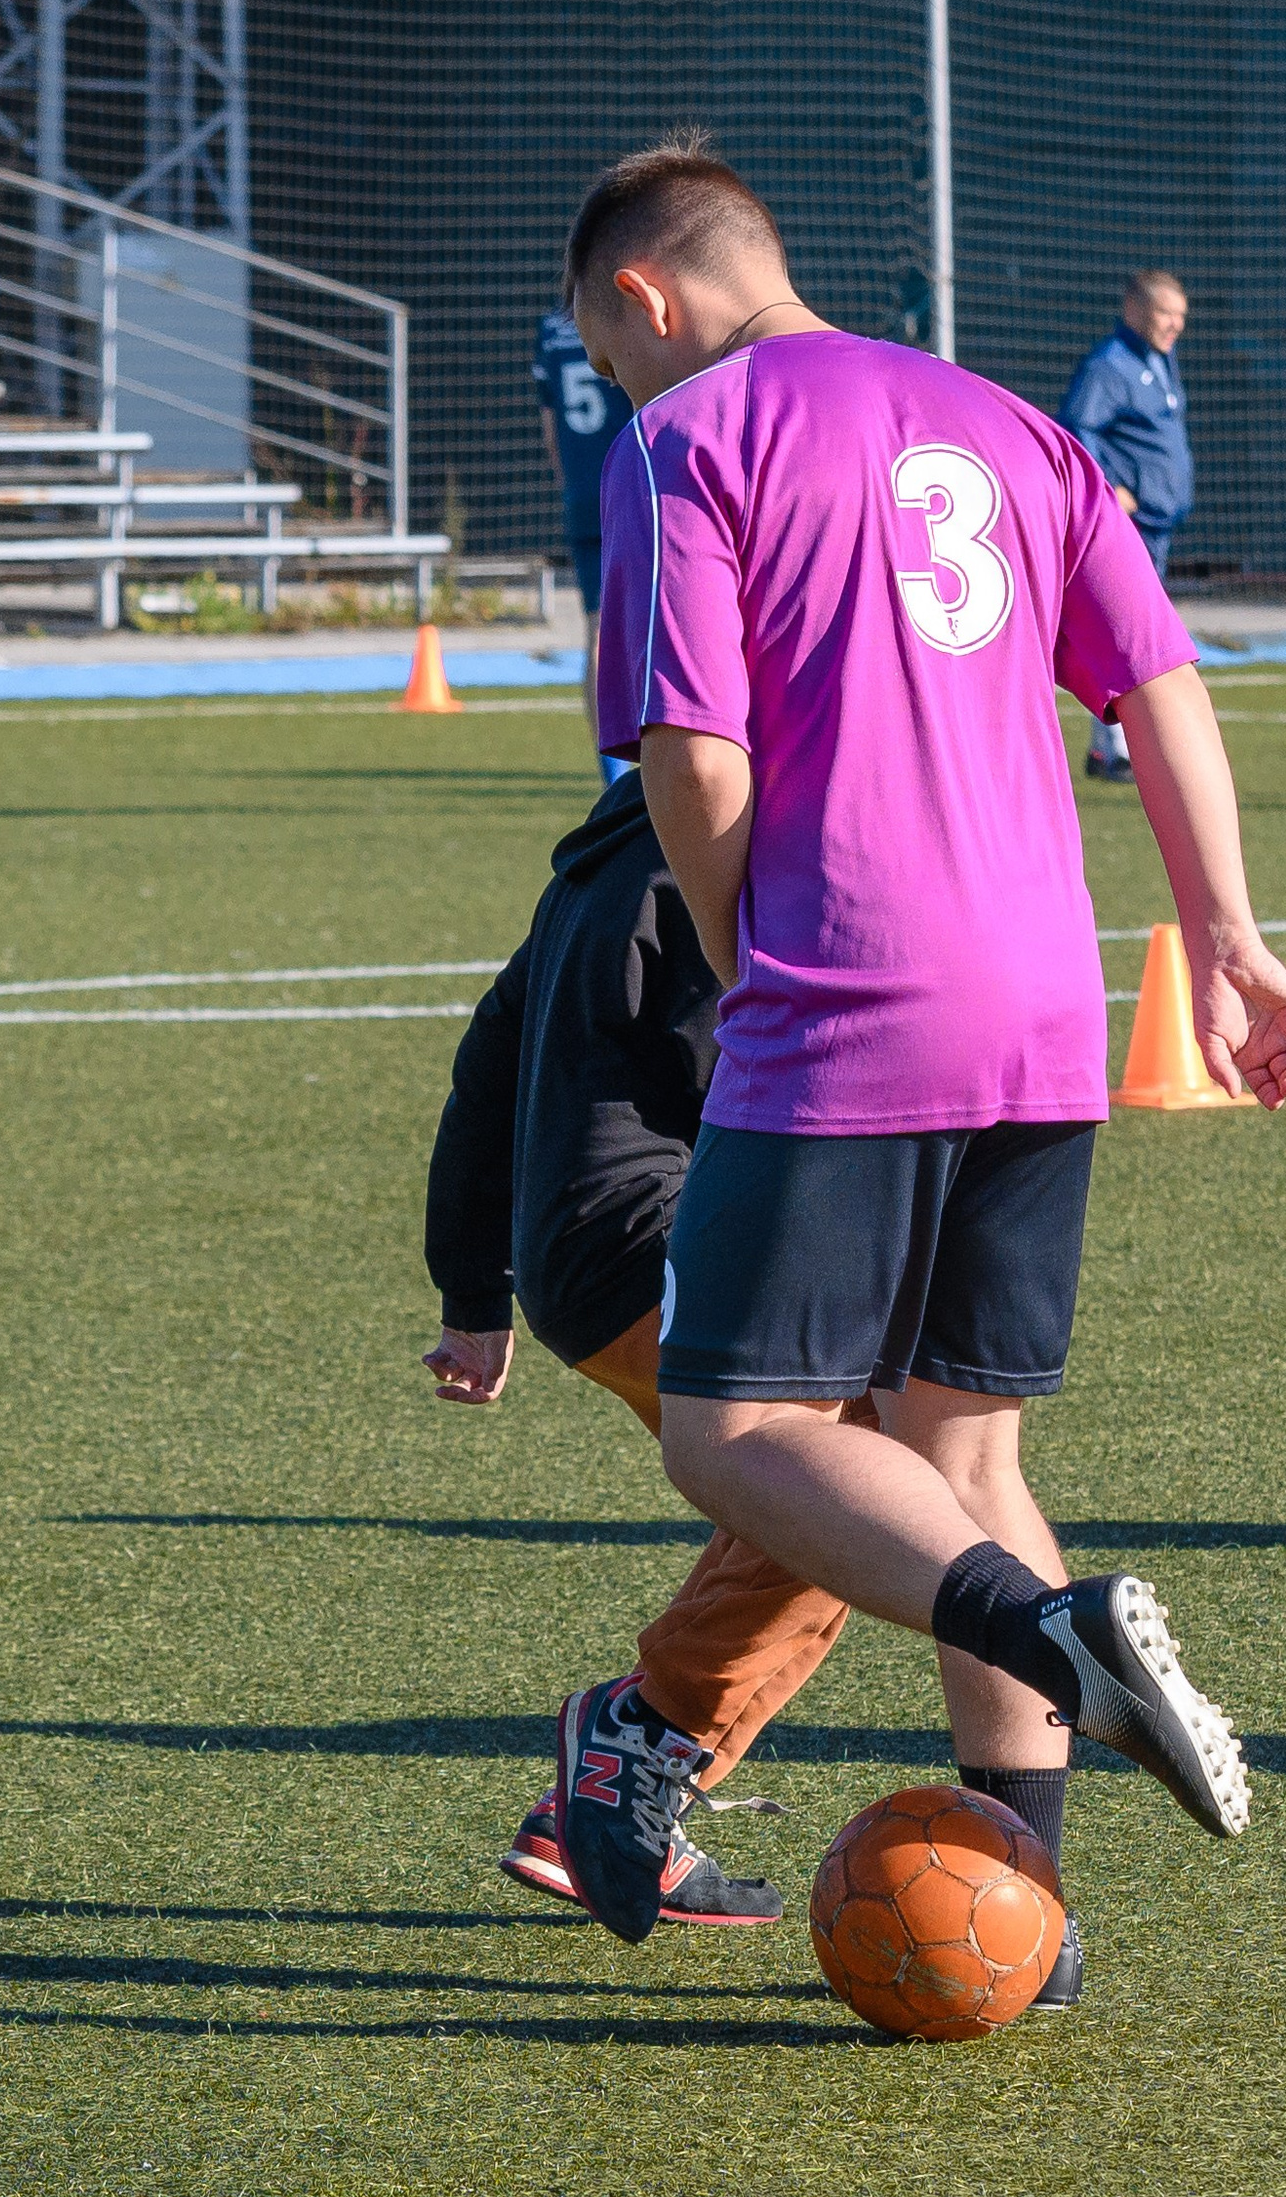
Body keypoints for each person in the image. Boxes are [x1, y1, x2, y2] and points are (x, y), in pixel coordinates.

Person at [552, 132, 1286, 1951]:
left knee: (735, 1428)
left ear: (651, 303)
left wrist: (757, 964)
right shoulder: (1013, 422)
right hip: (1050, 1007)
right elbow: (1160, 684)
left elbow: (690, 747)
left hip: (851, 996)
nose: (624, 387)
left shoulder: (687, 438)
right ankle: (1027, 1923)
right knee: (963, 1455)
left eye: (611, 355)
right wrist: (1227, 939)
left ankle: (1042, 1625)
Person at [420, 758, 1090, 2004]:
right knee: (845, 1485)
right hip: (656, 1231)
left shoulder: (607, 852)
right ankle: (646, 1733)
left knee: (836, 1483)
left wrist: (473, 1294)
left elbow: (487, 1059)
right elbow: (782, 1080)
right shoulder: (738, 845)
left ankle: (621, 1783)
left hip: (580, 1249)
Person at [1061, 269, 1193, 778]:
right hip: (1128, 528)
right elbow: (1077, 430)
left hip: (1159, 523)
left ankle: (1112, 747)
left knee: (1134, 633)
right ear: (1134, 310)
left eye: (1181, 315)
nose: (1174, 325)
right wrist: (1108, 489)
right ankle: (1108, 749)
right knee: (1126, 633)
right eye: (1165, 313)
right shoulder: (1109, 367)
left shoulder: (1161, 359)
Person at [532, 302, 636, 771]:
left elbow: (551, 426)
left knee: (596, 634)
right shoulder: (624, 317)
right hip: (637, 487)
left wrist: (570, 486)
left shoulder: (550, 329)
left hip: (583, 495)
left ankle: (613, 778)